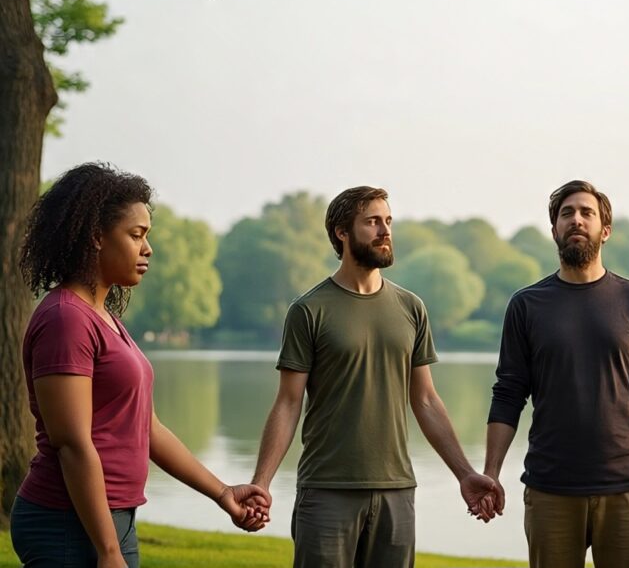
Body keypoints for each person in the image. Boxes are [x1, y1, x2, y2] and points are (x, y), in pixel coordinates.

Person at [12, 162, 270, 568]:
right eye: (136, 235)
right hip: (66, 523)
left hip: (111, 520)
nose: (147, 248)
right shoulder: (67, 319)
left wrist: (222, 493)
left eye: (146, 236)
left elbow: (147, 428)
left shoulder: (104, 318)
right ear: (96, 236)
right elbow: (72, 444)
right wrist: (108, 550)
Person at [251, 185, 499, 568]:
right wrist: (262, 483)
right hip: (327, 489)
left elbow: (426, 400)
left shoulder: (410, 307)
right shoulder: (309, 310)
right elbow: (287, 402)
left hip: (396, 490)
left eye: (388, 221)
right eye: (372, 222)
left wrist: (465, 474)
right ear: (342, 232)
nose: (385, 231)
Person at [484, 179, 629, 568]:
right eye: (567, 214)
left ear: (605, 230)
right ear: (554, 230)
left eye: (587, 213)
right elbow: (509, 393)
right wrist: (491, 474)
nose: (576, 220)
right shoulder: (526, 305)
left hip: (627, 486)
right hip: (550, 487)